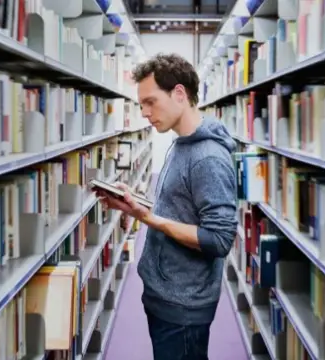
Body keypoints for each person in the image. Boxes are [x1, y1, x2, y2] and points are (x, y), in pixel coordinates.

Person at [95, 53, 238, 360]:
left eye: (150, 102)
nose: (145, 113)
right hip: (166, 293)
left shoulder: (208, 159)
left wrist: (149, 219)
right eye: (141, 104)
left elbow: (219, 239)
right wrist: (136, 206)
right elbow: (180, 208)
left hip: (184, 306)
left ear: (179, 94)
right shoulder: (181, 141)